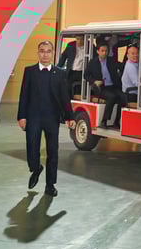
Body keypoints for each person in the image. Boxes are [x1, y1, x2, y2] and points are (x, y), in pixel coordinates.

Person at [17, 41, 75, 197]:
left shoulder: (60, 73)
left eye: (48, 51)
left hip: (52, 118)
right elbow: (24, 95)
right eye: (42, 51)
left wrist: (70, 116)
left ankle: (50, 185)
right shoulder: (29, 71)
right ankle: (36, 168)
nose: (45, 54)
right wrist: (21, 116)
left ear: (53, 53)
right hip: (33, 117)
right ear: (38, 53)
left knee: (52, 151)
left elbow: (64, 97)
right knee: (32, 147)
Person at [85, 43, 123, 129]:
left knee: (122, 97)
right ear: (98, 51)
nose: (104, 53)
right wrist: (94, 81)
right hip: (100, 88)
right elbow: (86, 75)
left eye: (106, 51)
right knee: (112, 97)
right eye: (102, 51)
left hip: (112, 86)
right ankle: (104, 121)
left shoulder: (111, 60)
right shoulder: (93, 62)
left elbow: (120, 66)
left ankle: (116, 121)